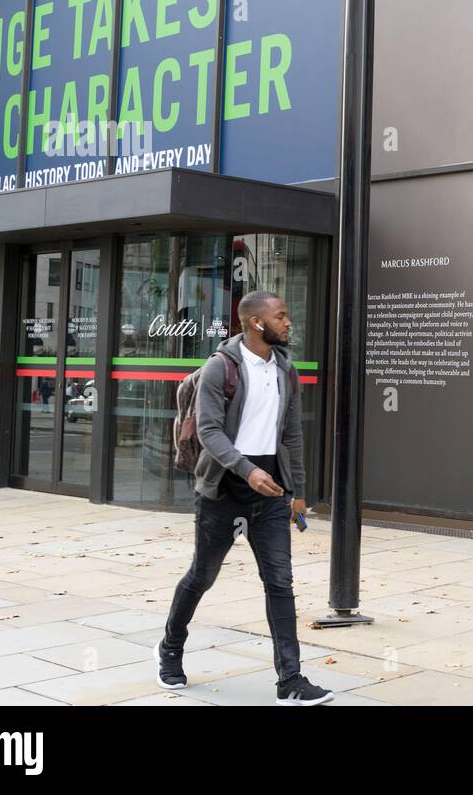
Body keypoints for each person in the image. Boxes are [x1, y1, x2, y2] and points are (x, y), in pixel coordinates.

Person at [155, 290, 333, 705]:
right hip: (223, 490)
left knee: (280, 581)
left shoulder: (285, 371)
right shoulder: (221, 368)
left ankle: (290, 681)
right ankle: (170, 647)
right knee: (203, 575)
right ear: (256, 322)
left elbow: (291, 436)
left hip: (270, 493)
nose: (288, 323)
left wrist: (298, 492)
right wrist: (247, 471)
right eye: (281, 316)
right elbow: (209, 431)